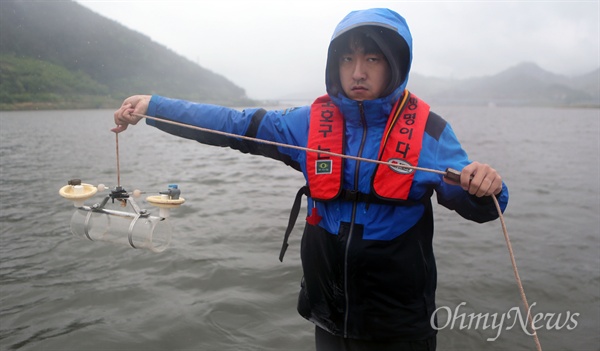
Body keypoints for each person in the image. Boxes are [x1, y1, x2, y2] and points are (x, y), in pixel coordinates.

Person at [113, 8, 508, 351]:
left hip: (399, 321)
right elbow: (232, 124)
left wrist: (486, 186)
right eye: (347, 59)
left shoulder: (431, 132)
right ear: (334, 65)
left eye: (372, 58)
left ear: (394, 64)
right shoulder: (305, 124)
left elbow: (479, 203)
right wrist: (153, 106)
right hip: (328, 311)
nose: (357, 72)